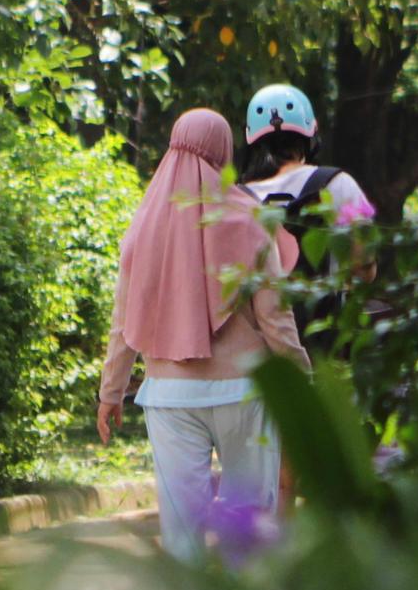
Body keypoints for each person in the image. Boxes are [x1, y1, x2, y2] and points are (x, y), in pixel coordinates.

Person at [97, 108, 310, 561]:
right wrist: (301, 382)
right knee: (250, 526)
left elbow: (123, 321)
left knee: (181, 531)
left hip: (170, 397)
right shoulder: (249, 220)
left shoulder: (143, 229)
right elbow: (276, 318)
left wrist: (110, 392)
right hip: (245, 393)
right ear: (223, 154)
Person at [238, 83, 376, 245]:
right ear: (310, 134)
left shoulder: (237, 199)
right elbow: (363, 259)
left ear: (252, 141)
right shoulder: (337, 183)